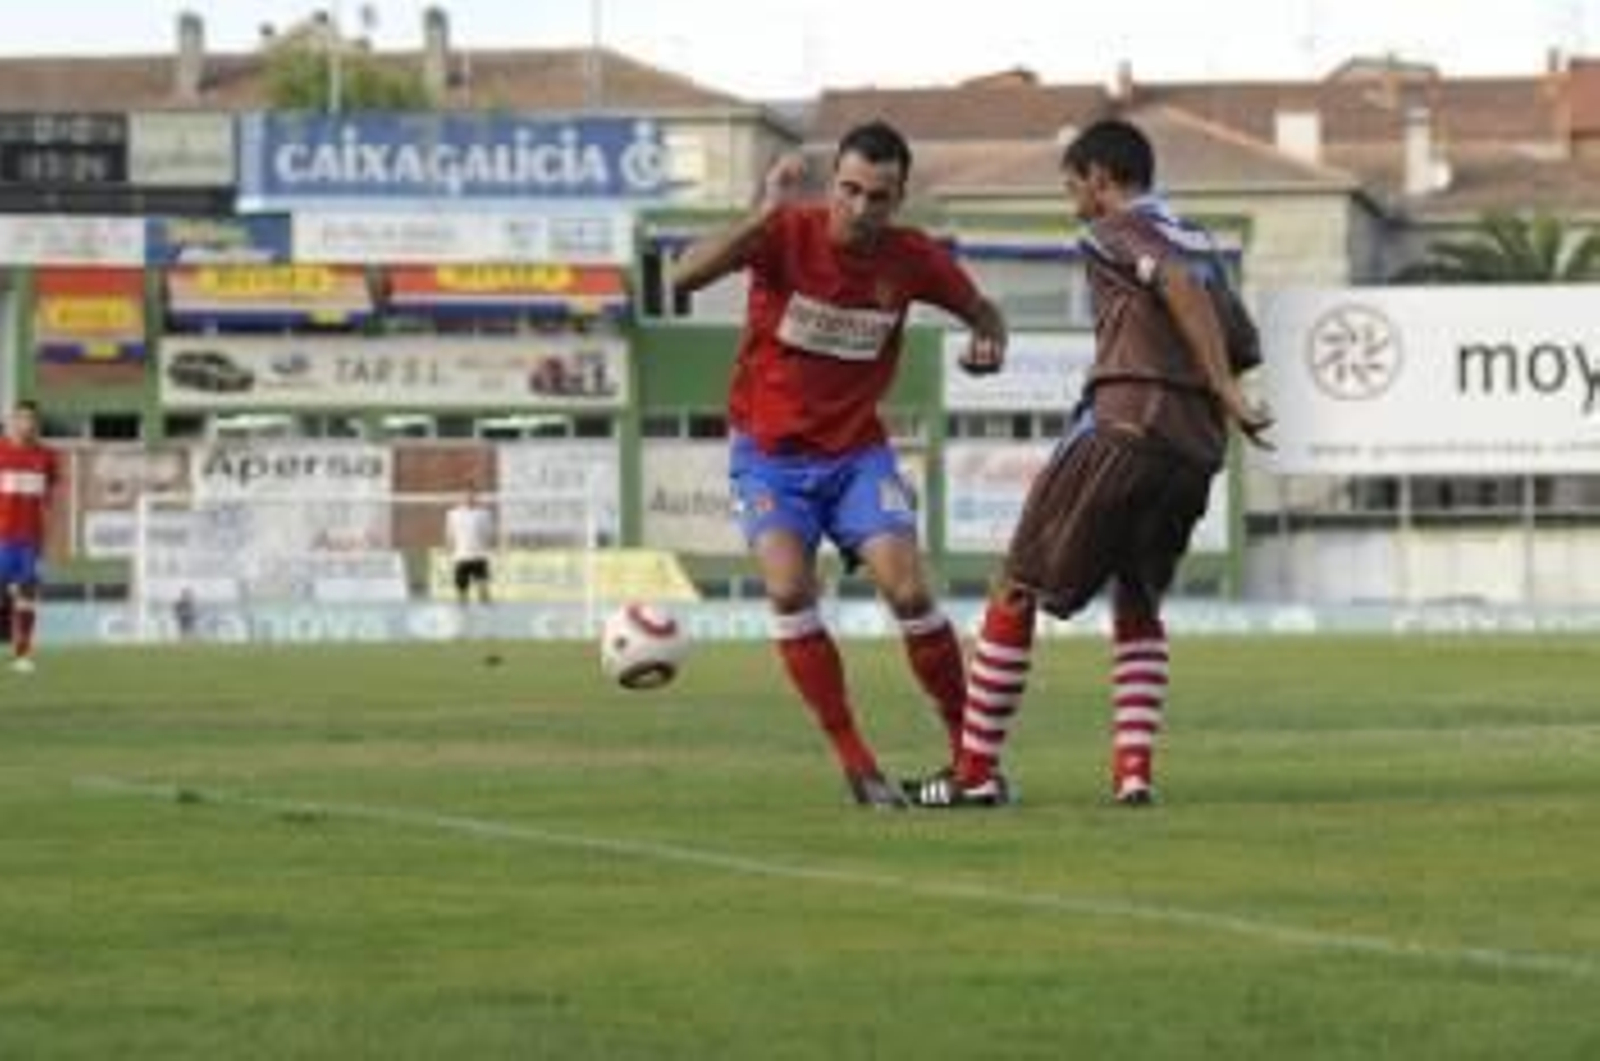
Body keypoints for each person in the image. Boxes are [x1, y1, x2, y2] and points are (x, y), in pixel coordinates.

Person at [910, 118, 1272, 808]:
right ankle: (1133, 772)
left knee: (1015, 585)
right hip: (1194, 448)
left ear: (1102, 180)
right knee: (1137, 597)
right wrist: (1223, 389)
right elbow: (1242, 339)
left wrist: (1221, 386)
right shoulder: (1201, 241)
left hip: (1127, 427)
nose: (1072, 200)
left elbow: (1173, 286)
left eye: (1073, 186)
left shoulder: (1113, 231)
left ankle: (975, 773)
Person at [671, 121, 1009, 807]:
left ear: (899, 197)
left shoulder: (913, 259)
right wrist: (762, 212)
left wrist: (988, 341)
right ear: (833, 185)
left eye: (877, 197)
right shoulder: (784, 233)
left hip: (857, 454)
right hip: (768, 456)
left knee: (909, 591)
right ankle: (857, 762)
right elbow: (683, 275)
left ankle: (971, 761)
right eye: (849, 191)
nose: (859, 209)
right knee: (790, 589)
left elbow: (984, 312)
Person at [0, 400, 60, 674]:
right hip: (2, 535)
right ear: (11, 421)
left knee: (27, 593)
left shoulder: (46, 456)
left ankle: (22, 655)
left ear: (36, 423)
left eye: (31, 419)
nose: (26, 424)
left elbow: (51, 498)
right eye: (21, 418)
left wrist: (53, 535)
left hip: (31, 539)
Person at [444, 488, 494, 607]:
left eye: (473, 495)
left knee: (483, 591)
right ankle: (463, 618)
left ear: (477, 497)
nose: (470, 498)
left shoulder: (484, 514)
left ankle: (487, 617)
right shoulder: (453, 514)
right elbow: (449, 535)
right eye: (466, 495)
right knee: (462, 594)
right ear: (461, 497)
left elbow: (488, 535)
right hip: (461, 558)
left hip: (479, 557)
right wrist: (449, 554)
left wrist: (486, 548)